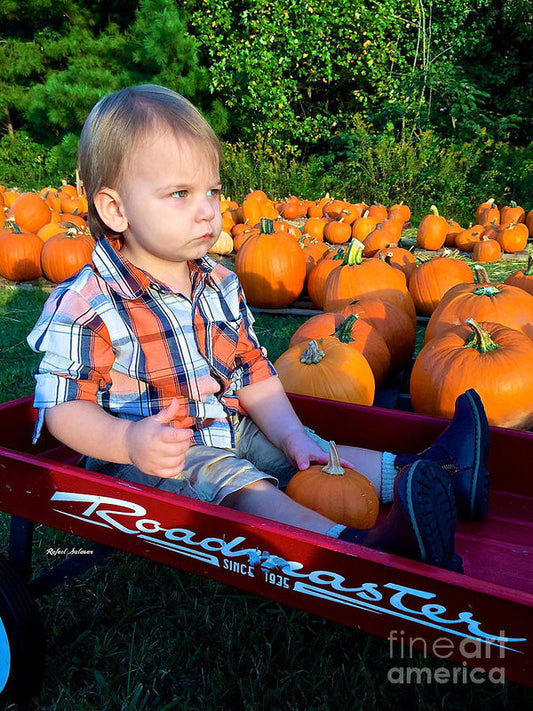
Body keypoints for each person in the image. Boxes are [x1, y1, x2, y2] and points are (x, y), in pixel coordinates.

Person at [27, 85, 489, 573]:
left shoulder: (219, 281)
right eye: (180, 194)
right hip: (150, 458)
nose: (208, 210)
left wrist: (291, 435)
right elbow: (63, 408)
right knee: (237, 480)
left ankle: (443, 474)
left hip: (228, 424)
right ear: (115, 209)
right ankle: (356, 550)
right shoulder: (87, 302)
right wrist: (127, 443)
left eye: (213, 191)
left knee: (306, 449)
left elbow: (251, 370)